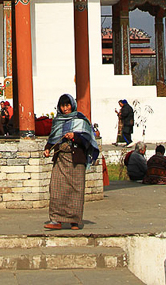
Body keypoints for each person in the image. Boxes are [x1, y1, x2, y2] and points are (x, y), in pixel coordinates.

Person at [43, 93, 99, 230]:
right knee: (56, 188)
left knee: (75, 190)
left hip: (76, 160)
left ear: (72, 105)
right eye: (63, 105)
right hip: (61, 159)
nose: (65, 108)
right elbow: (53, 138)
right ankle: (56, 219)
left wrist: (75, 136)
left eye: (67, 105)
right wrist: (47, 149)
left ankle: (75, 221)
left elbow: (88, 140)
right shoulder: (58, 121)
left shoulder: (81, 120)